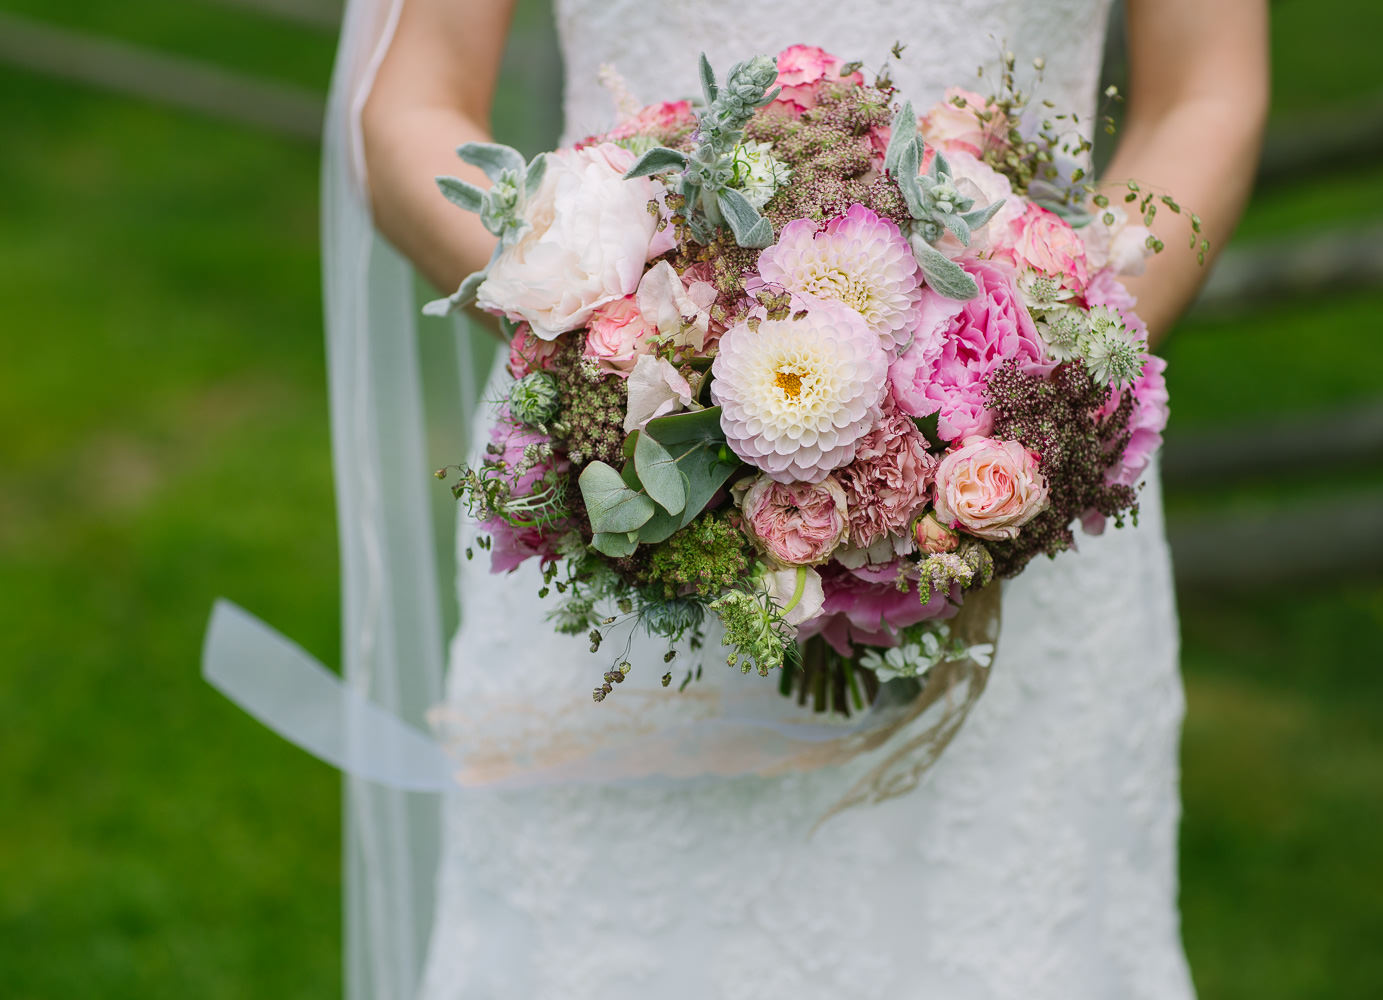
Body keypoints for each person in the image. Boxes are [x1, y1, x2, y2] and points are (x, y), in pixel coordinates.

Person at [342, 1, 1269, 996]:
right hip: (621, 481)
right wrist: (630, 371)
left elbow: (1202, 95)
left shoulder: (1027, 431)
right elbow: (408, 107)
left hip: (1018, 510)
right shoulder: (628, 398)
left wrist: (1047, 397)